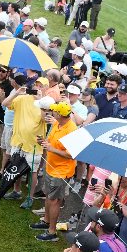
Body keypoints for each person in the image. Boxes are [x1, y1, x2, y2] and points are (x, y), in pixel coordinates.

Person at [31, 102, 77, 241]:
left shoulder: (72, 130)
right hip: (50, 166)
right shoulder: (58, 123)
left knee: (54, 200)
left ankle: (52, 232)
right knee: (48, 196)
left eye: (55, 112)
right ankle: (46, 221)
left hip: (61, 172)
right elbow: (51, 142)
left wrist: (51, 149)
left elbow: (71, 154)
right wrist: (44, 142)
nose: (52, 113)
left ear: (61, 114)